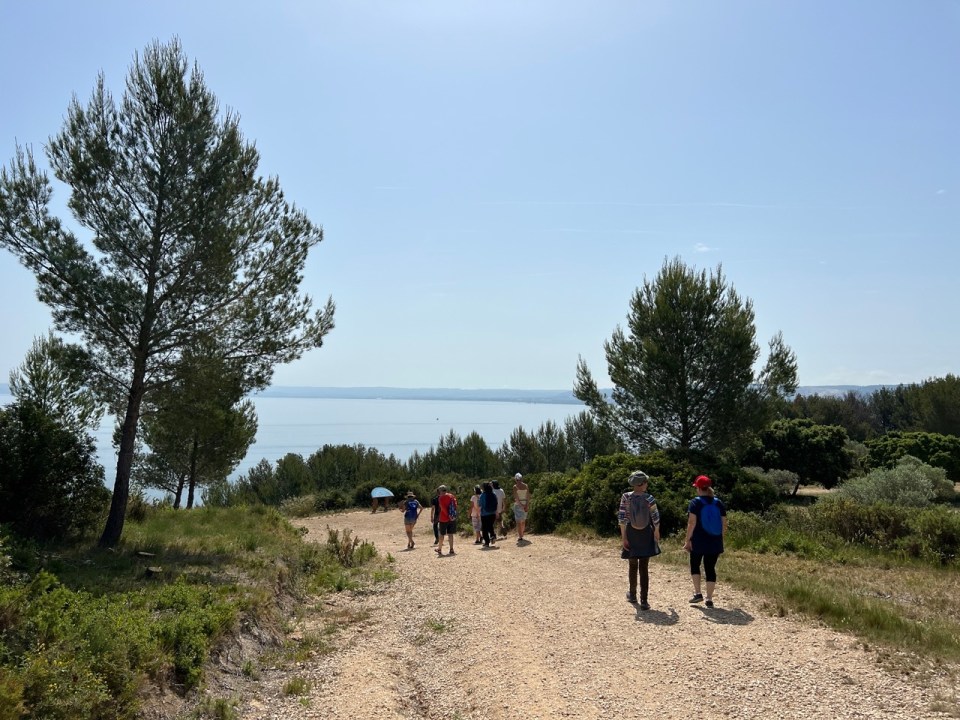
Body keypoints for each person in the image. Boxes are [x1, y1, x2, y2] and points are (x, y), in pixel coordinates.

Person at [618, 470, 661, 610]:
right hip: (646, 533)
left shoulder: (626, 497)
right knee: (644, 567)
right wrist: (656, 532)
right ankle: (644, 601)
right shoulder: (649, 498)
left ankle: (632, 594)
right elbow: (655, 517)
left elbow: (622, 518)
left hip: (631, 532)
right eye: (646, 482)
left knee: (632, 565)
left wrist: (624, 537)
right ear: (642, 484)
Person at [683, 474, 727, 608]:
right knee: (710, 568)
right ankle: (709, 599)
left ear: (698, 488)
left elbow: (692, 523)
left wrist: (687, 540)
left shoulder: (695, 502)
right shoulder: (718, 502)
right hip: (715, 540)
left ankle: (698, 593)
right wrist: (721, 538)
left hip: (698, 540)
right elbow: (724, 523)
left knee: (695, 565)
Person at [435, 485, 458, 556]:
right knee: (450, 534)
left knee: (442, 534)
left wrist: (448, 515)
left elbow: (443, 508)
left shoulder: (441, 498)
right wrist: (452, 516)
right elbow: (455, 505)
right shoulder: (451, 496)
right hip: (452, 518)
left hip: (444, 518)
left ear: (440, 491)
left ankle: (439, 549)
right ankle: (451, 549)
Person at [512, 472, 531, 543]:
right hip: (525, 503)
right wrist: (526, 505)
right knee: (523, 520)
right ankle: (522, 534)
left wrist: (521, 506)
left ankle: (520, 536)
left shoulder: (515, 487)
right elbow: (528, 496)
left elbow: (516, 498)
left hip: (518, 505)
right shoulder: (526, 486)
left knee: (518, 521)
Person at [479, 482, 498, 548]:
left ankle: (487, 542)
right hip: (493, 513)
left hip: (484, 514)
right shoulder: (493, 494)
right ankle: (492, 535)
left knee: (484, 528)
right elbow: (496, 503)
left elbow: (480, 504)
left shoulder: (482, 495)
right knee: (490, 526)